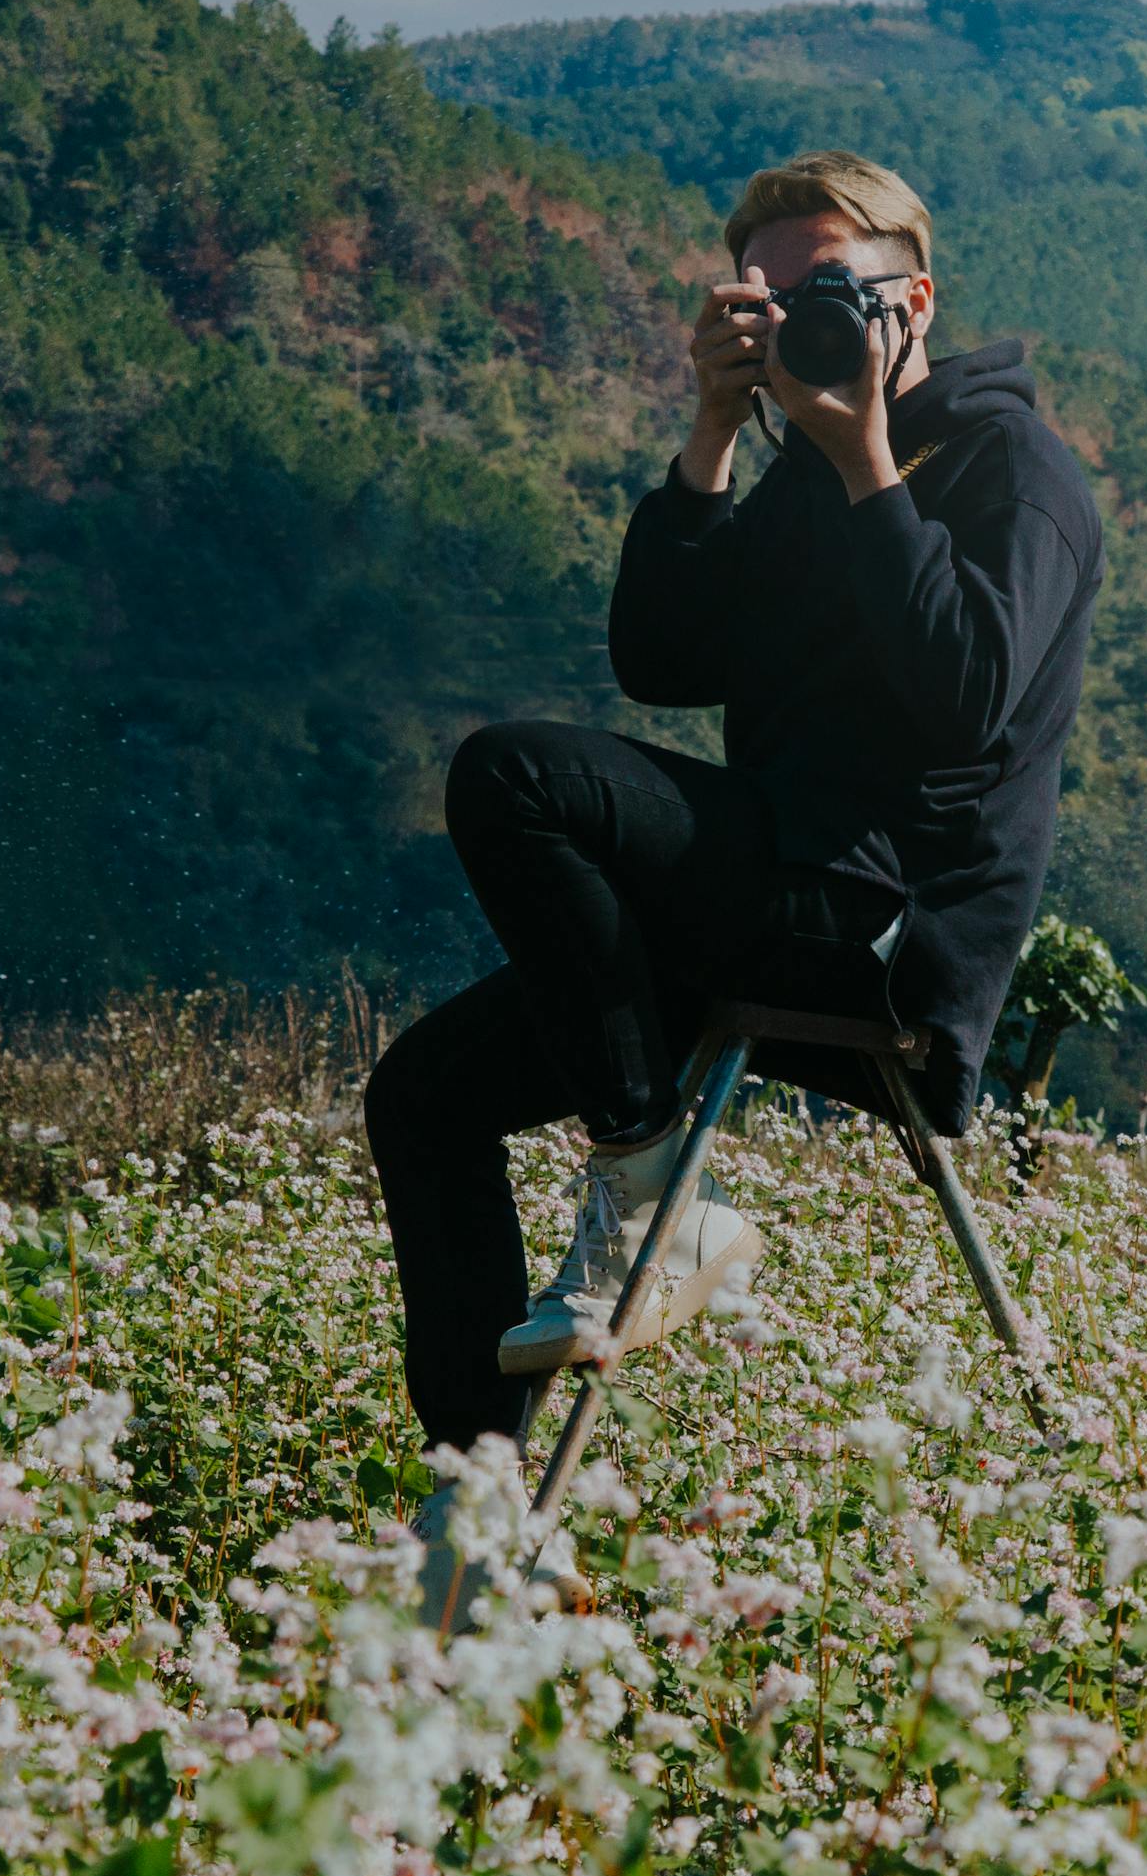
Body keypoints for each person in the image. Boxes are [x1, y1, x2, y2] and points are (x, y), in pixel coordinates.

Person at [361, 151, 1104, 1620]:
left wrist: (867, 461)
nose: (802, 329)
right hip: (771, 879)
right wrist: (711, 433)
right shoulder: (786, 467)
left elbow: (968, 695)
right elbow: (662, 661)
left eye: (834, 292)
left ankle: (645, 1176)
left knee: (514, 774)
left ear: (916, 299)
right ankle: (476, 1512)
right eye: (769, 305)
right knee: (421, 1095)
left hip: (887, 923)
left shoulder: (1016, 468)